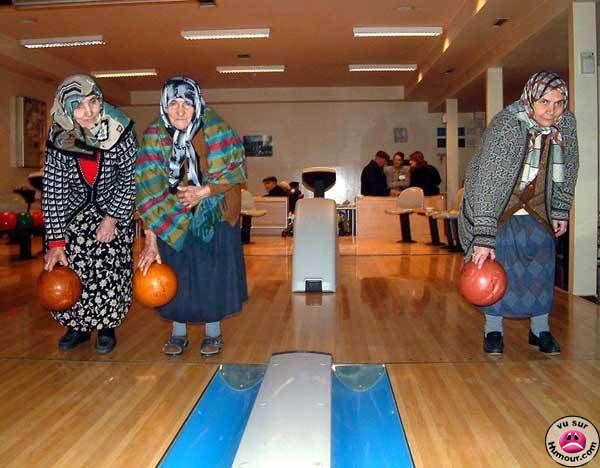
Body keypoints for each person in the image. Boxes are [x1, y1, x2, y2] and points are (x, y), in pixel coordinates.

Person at [458, 71, 578, 355]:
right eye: (545, 102)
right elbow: (488, 181)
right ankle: (494, 331)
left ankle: (540, 331)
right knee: (496, 267)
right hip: (498, 206)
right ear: (530, 99)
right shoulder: (507, 126)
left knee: (542, 267)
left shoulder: (566, 124)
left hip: (538, 207)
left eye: (559, 103)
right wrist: (484, 236)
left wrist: (561, 207)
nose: (552, 110)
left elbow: (569, 166)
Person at [136, 76, 247, 356]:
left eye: (187, 102)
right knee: (177, 272)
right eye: (173, 103)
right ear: (164, 105)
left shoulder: (217, 129)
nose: (180, 110)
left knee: (211, 274)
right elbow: (147, 190)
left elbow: (235, 171)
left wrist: (203, 192)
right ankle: (178, 332)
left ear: (197, 103)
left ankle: (212, 333)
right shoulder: (153, 136)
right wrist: (150, 237)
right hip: (170, 216)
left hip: (214, 213)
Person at [42, 74, 137, 354]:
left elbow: (129, 177)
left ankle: (107, 327)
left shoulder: (120, 128)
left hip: (112, 210)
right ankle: (79, 328)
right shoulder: (59, 135)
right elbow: (54, 190)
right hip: (74, 215)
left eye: (93, 102)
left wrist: (111, 218)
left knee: (109, 270)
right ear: (66, 109)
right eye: (78, 106)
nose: (88, 112)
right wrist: (56, 242)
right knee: (76, 270)